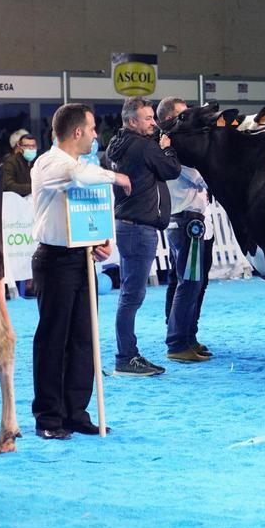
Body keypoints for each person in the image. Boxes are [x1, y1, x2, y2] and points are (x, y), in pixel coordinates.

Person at [30, 103, 131, 439]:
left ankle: (76, 412)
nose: (94, 135)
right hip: (55, 260)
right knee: (53, 340)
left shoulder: (82, 165)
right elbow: (78, 177)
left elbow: (91, 209)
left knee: (83, 340)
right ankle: (48, 418)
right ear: (77, 132)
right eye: (90, 129)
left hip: (81, 258)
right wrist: (115, 176)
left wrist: (101, 245)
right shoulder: (50, 163)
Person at [106, 97, 182, 374]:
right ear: (132, 122)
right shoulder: (143, 146)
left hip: (128, 226)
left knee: (129, 293)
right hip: (139, 229)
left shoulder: (116, 146)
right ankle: (126, 357)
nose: (154, 123)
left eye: (153, 117)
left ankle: (127, 354)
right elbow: (171, 170)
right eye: (148, 119)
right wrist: (167, 149)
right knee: (131, 296)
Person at [157, 97, 216, 363]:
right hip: (185, 220)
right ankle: (177, 342)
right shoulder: (170, 148)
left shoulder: (177, 146)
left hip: (192, 219)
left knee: (190, 282)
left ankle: (187, 336)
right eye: (182, 116)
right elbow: (195, 176)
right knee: (188, 282)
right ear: (169, 118)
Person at [3, 133, 38, 197]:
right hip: (16, 200)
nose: (31, 148)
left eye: (33, 146)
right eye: (27, 146)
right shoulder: (11, 162)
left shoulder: (38, 161)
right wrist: (33, 188)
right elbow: (9, 185)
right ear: (20, 147)